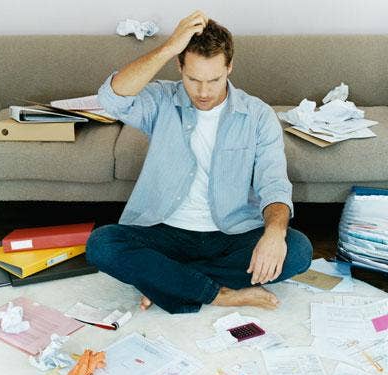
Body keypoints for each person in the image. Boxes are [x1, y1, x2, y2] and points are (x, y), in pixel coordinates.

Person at [86, 11, 313, 314]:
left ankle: (168, 281)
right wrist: (169, 47)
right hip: (164, 230)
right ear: (179, 66)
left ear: (229, 67)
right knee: (101, 244)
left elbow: (274, 184)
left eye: (214, 79)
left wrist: (274, 234)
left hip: (231, 234)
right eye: (193, 79)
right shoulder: (162, 99)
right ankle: (219, 294)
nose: (204, 92)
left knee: (298, 250)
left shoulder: (258, 115)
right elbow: (111, 99)